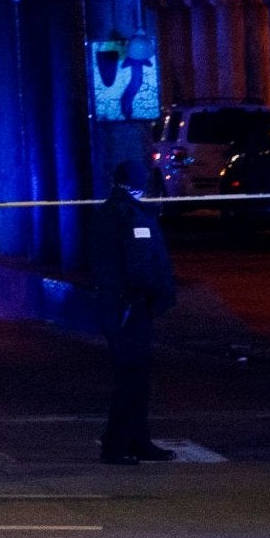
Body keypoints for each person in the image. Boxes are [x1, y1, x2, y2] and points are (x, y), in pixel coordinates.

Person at [92, 161, 177, 463]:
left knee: (137, 376)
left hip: (124, 305)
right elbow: (139, 264)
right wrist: (154, 293)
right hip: (129, 306)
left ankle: (137, 439)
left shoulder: (114, 212)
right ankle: (116, 444)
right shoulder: (128, 215)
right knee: (131, 376)